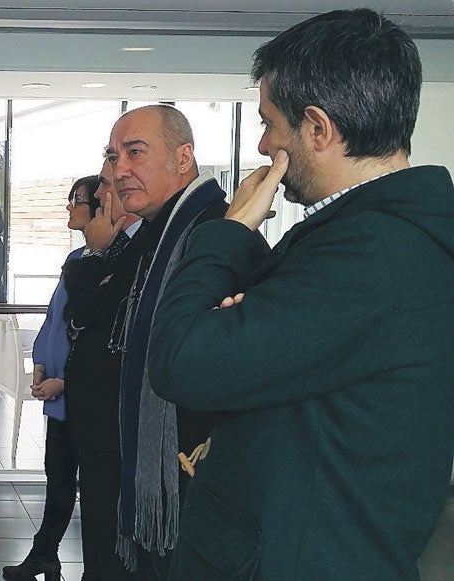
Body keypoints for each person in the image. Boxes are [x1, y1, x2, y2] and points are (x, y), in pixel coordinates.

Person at [147, 9, 454, 580]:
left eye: (269, 123)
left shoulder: (371, 254)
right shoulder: (366, 238)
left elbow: (180, 358)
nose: (263, 144)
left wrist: (231, 231)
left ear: (318, 129)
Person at [103, 104, 266, 579]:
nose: (119, 170)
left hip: (201, 472)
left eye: (135, 152)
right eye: (113, 156)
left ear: (183, 157)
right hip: (172, 470)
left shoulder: (219, 232)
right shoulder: (162, 233)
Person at [2, 175, 103, 581]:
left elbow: (98, 338)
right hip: (61, 395)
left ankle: (93, 566)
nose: (69, 207)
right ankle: (45, 554)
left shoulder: (110, 262)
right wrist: (41, 365)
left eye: (77, 200)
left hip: (88, 396)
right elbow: (55, 318)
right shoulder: (76, 259)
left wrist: (68, 382)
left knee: (94, 487)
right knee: (58, 477)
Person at [60, 164, 141, 580]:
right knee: (94, 510)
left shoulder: (134, 247)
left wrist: (94, 253)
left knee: (109, 517)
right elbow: (75, 317)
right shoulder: (113, 249)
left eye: (103, 186)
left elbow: (90, 310)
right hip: (92, 406)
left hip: (114, 406)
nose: (98, 196)